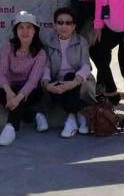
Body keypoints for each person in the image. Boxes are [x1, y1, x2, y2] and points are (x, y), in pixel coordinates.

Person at [38, 8, 96, 137]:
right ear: (54, 25)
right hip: (58, 81)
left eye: (68, 23)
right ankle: (79, 116)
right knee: (58, 85)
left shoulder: (81, 41)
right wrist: (47, 84)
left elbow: (86, 66)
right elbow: (46, 67)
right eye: (60, 22)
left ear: (74, 26)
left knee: (70, 77)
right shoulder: (49, 42)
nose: (64, 26)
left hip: (79, 81)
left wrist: (73, 83)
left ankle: (70, 120)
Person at [0, 11, 47, 146]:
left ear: (35, 31)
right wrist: (10, 93)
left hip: (29, 89)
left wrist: (16, 98)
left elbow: (33, 81)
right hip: (9, 86)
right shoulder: (8, 48)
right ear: (16, 31)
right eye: (20, 27)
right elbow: (1, 74)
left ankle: (11, 127)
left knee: (28, 94)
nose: (25, 31)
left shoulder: (40, 53)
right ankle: (34, 115)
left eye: (29, 27)